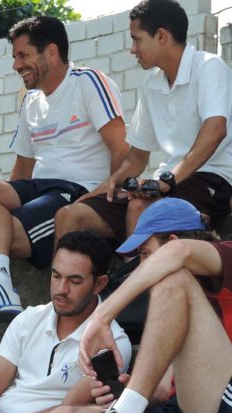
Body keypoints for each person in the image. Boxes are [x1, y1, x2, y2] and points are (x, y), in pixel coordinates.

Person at [0, 16, 128, 320]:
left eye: (23, 55)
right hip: (40, 190)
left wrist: (104, 199)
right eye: (15, 57)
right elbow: (22, 169)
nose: (16, 65)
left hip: (75, 191)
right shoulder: (30, 99)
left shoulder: (87, 81)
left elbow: (121, 149)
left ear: (51, 52)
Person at [55, 0, 232, 246]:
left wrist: (167, 181)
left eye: (136, 39)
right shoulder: (151, 83)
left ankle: (137, 270)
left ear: (161, 36)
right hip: (167, 183)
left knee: (140, 206)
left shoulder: (209, 66)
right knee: (71, 215)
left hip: (213, 179)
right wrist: (111, 183)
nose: (132, 49)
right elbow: (138, 155)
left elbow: (215, 130)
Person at [44, 197, 231, 413]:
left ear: (171, 241)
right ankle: (123, 411)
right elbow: (163, 390)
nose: (142, 266)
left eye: (145, 254)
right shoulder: (176, 303)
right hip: (186, 408)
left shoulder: (223, 256)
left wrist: (102, 316)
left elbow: (178, 252)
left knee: (173, 279)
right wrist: (123, 392)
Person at [0, 232, 132, 413]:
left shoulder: (111, 342)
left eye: (74, 281)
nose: (61, 289)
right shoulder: (29, 319)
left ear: (100, 284)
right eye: (56, 276)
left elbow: (67, 410)